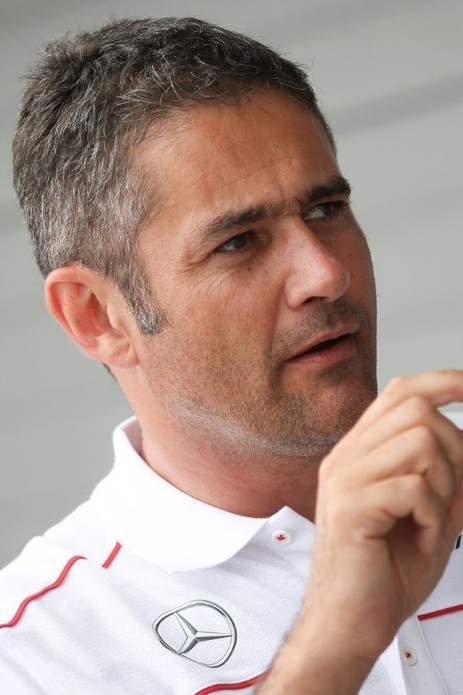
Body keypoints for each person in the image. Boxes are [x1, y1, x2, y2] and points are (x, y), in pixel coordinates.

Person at [1, 16, 462, 695]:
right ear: (97, 316)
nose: (325, 274)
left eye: (326, 209)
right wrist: (335, 643)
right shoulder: (35, 655)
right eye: (238, 242)